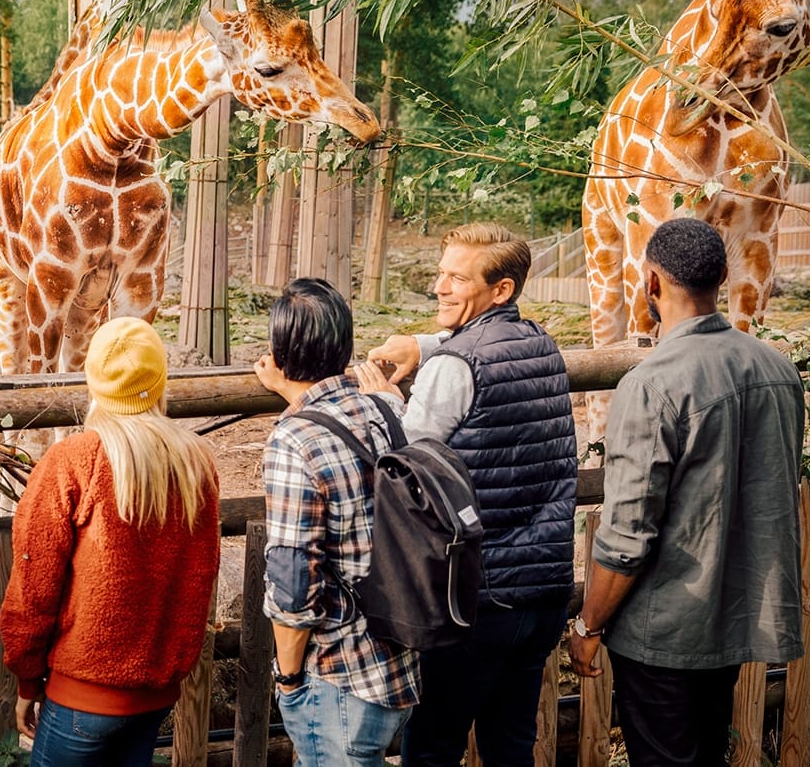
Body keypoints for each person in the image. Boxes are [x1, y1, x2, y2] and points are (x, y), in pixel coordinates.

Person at [569, 218, 803, 767]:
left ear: (651, 282)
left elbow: (626, 534)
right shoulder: (776, 368)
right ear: (722, 276)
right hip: (734, 619)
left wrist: (588, 624)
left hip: (664, 631)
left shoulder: (651, 384)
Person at [363, 222, 575, 767]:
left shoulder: (455, 366)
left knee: (433, 745)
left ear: (500, 290)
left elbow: (409, 464)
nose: (439, 286)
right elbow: (479, 347)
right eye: (441, 273)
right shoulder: (541, 345)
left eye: (457, 278)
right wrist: (424, 343)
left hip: (474, 602)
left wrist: (385, 401)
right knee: (512, 744)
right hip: (542, 593)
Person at [0, 316, 221, 767]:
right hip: (154, 695)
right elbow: (200, 576)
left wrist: (27, 679)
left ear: (94, 382)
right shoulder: (196, 464)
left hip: (83, 692)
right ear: (159, 382)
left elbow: (33, 582)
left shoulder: (73, 461)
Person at [256, 277, 420, 767]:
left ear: (280, 351)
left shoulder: (293, 442)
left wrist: (288, 681)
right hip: (400, 661)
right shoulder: (385, 410)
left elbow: (291, 582)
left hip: (340, 679)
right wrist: (291, 388)